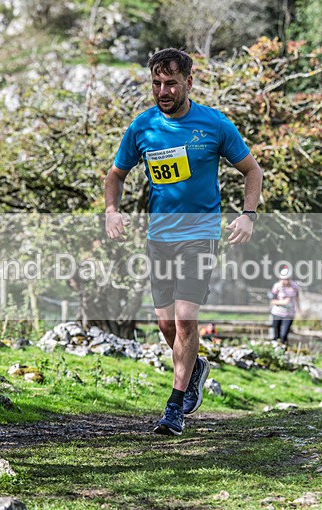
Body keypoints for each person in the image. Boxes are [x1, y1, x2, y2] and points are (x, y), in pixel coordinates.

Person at [104, 48, 263, 436]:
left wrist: (248, 214)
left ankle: (173, 409)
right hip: (159, 237)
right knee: (165, 323)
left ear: (189, 82)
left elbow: (252, 170)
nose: (163, 90)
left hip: (201, 235)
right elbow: (115, 174)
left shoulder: (214, 124)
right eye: (156, 83)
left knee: (185, 316)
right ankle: (196, 370)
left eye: (171, 83)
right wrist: (112, 209)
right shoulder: (142, 127)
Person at [269, 266, 300, 344]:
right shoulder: (277, 286)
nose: (286, 281)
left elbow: (297, 298)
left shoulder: (295, 286)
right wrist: (283, 302)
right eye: (284, 279)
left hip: (289, 314)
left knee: (284, 335)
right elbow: (272, 301)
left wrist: (299, 309)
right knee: (276, 334)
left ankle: (283, 349)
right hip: (277, 313)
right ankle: (275, 349)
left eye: (288, 279)